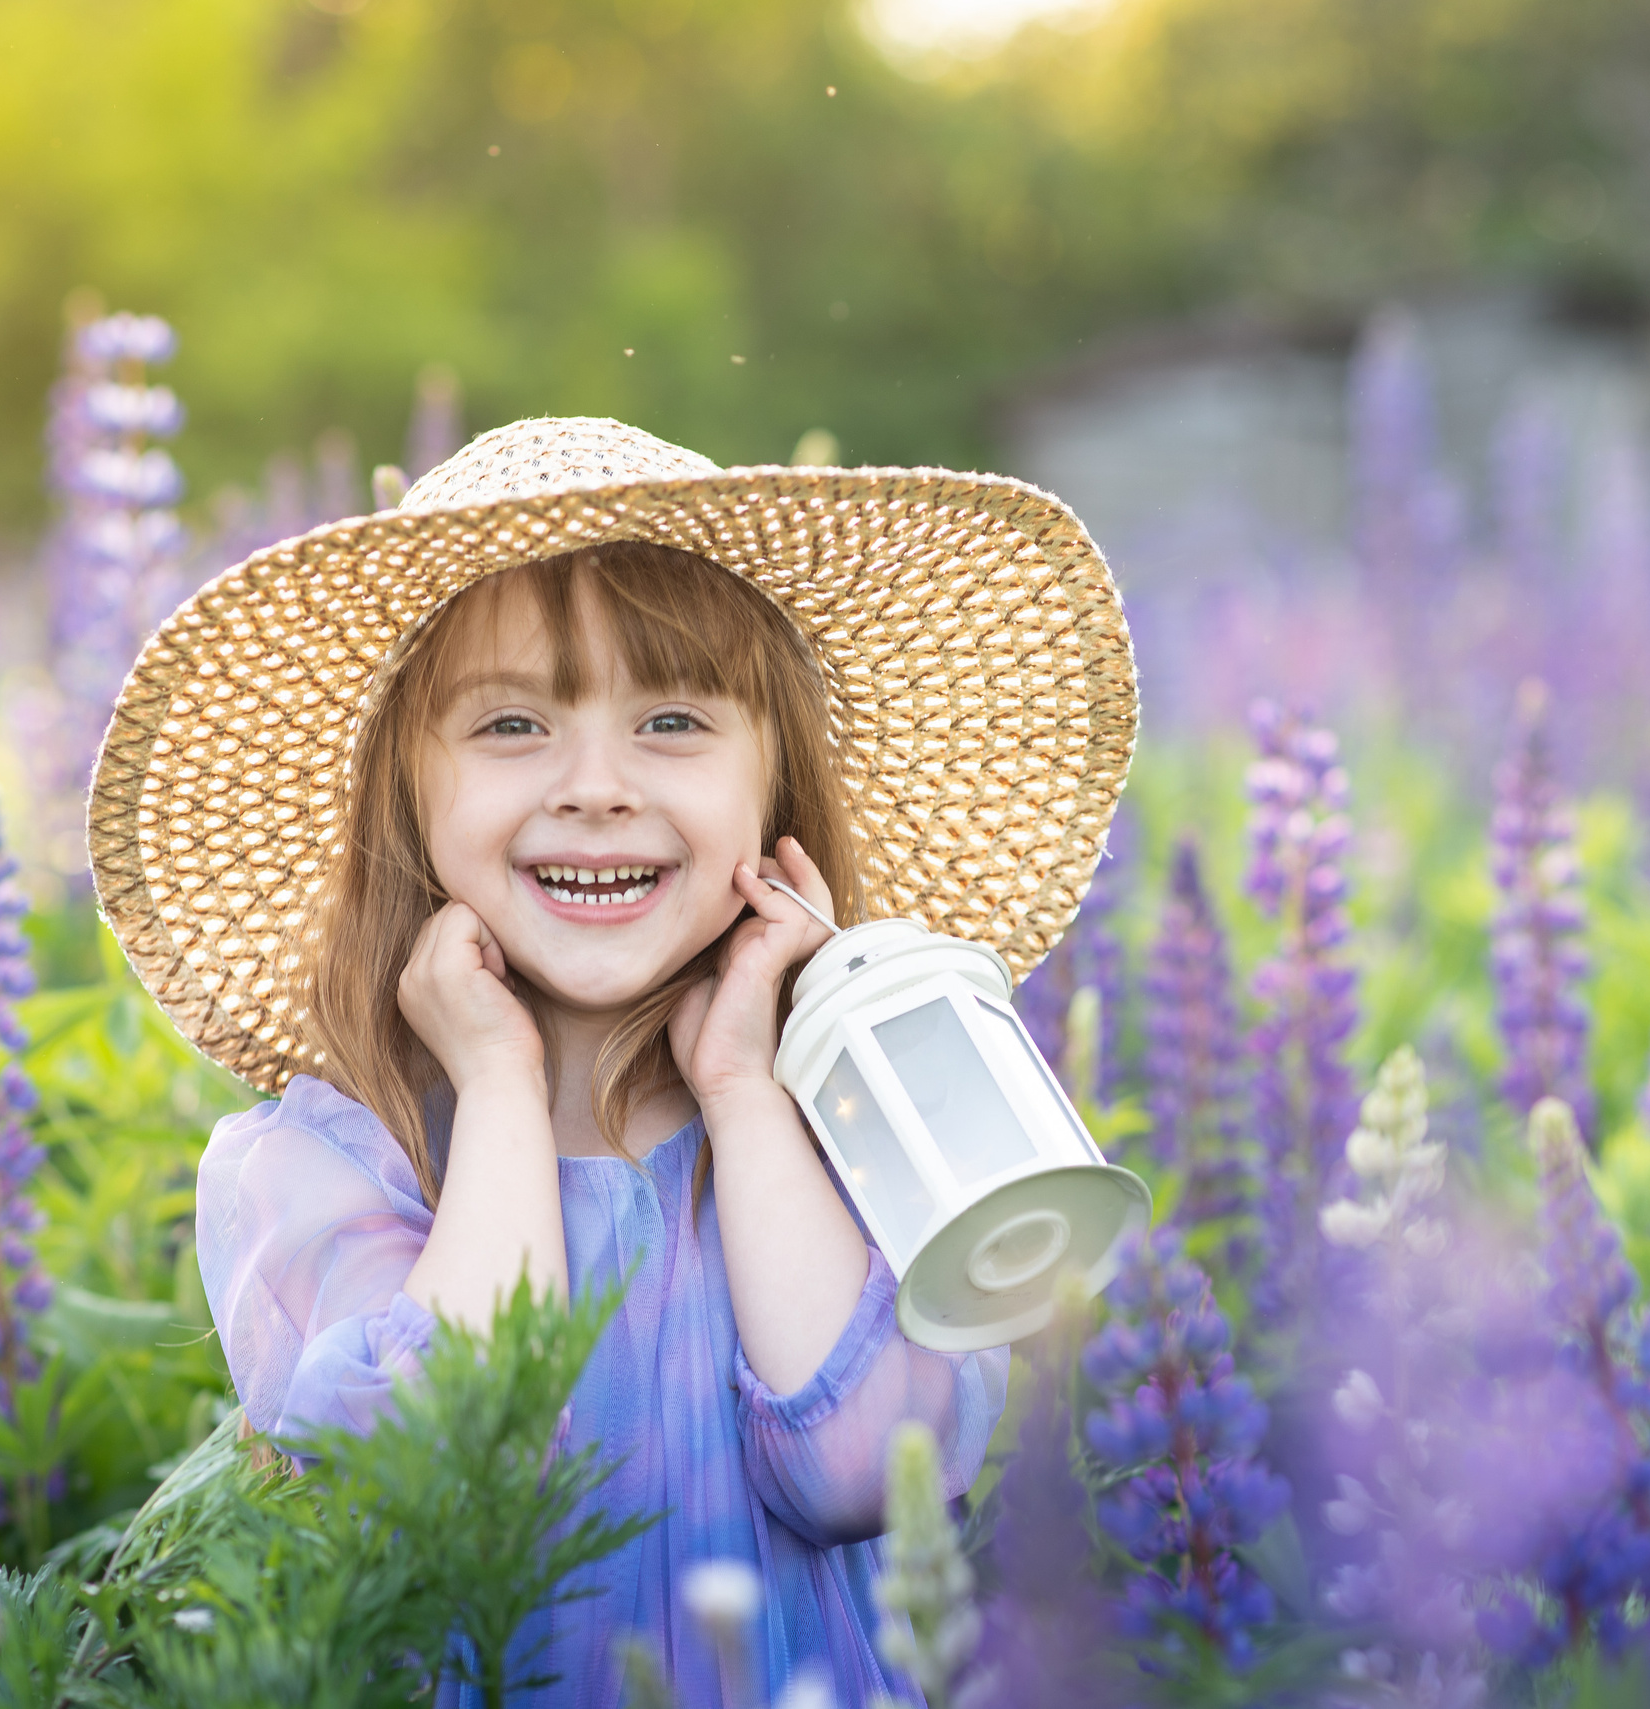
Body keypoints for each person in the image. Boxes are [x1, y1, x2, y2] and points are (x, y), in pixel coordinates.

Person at [86, 417, 1139, 1706]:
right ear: (408, 797)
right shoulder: (327, 1160)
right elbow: (444, 1486)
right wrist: (499, 1095)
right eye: (514, 724)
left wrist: (751, 1097)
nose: (596, 785)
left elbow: (865, 1469)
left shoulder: (862, 1126)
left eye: (674, 720)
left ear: (776, 795)